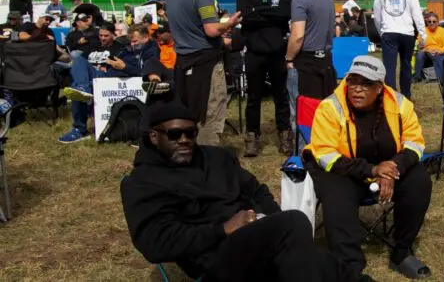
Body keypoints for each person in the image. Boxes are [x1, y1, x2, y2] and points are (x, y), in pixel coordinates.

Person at [121, 102, 351, 282]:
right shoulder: (143, 182)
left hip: (253, 240)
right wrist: (223, 229)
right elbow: (155, 244)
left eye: (190, 133)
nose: (184, 140)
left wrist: (272, 223)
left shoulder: (217, 157)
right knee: (294, 224)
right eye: (174, 134)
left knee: (324, 262)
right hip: (213, 260)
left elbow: (257, 191)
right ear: (154, 137)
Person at [305, 56, 432, 280]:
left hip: (387, 168)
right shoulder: (330, 107)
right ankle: (350, 266)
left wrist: (392, 168)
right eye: (352, 81)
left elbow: (415, 143)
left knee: (419, 179)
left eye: (366, 84)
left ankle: (402, 252)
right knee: (335, 189)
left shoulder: (400, 104)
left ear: (380, 88)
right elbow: (326, 155)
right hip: (345, 171)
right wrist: (372, 170)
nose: (357, 89)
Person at [167, 0, 241, 146]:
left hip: (183, 62)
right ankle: (207, 160)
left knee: (189, 112)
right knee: (210, 116)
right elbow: (210, 30)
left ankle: (185, 153)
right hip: (205, 64)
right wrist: (229, 23)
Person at [236, 0, 296, 157]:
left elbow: (285, 14)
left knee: (281, 96)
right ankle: (252, 136)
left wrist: (257, 11)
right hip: (254, 51)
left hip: (278, 51)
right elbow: (245, 17)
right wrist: (268, 13)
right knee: (253, 97)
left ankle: (284, 134)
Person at [283, 0, 336, 130]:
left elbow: (297, 36)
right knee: (324, 112)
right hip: (326, 62)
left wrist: (289, 59)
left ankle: (302, 153)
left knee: (300, 114)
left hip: (305, 63)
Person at [57, 22, 127, 143]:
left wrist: (105, 67)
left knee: (78, 85)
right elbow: (81, 63)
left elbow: (119, 66)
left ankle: (79, 129)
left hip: (104, 78)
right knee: (78, 63)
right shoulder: (93, 46)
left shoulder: (119, 48)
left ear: (113, 35)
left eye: (106, 35)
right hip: (88, 78)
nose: (103, 38)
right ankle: (82, 89)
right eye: (101, 35)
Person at [372, 0, 426, 98]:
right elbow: (417, 15)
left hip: (389, 32)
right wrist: (423, 35)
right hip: (407, 33)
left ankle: (392, 97)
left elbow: (377, 16)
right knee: (406, 65)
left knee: (389, 68)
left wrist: (381, 32)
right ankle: (406, 96)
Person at [413, 13, 444, 83]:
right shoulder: (423, 31)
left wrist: (438, 51)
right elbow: (420, 46)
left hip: (440, 50)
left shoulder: (443, 31)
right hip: (427, 51)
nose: (431, 23)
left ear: (437, 22)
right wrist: (423, 48)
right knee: (419, 54)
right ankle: (417, 77)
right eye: (429, 21)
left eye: (434, 21)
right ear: (427, 22)